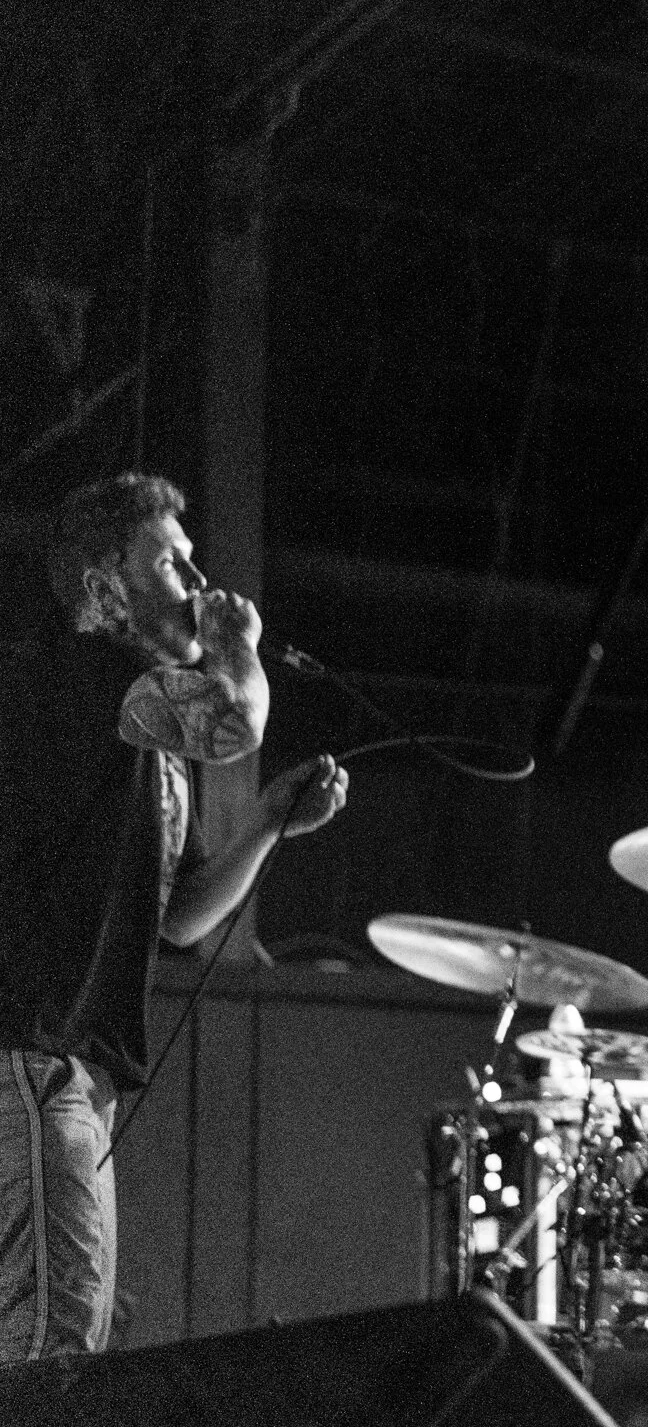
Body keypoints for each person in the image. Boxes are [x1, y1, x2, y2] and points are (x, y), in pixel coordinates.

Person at [0, 473, 350, 1358]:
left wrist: (267, 823)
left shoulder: (148, 733)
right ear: (104, 587)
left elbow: (183, 917)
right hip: (28, 1060)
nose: (198, 580)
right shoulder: (84, 672)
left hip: (68, 1075)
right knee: (49, 1349)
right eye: (170, 561)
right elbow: (234, 719)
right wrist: (237, 645)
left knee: (69, 1334)